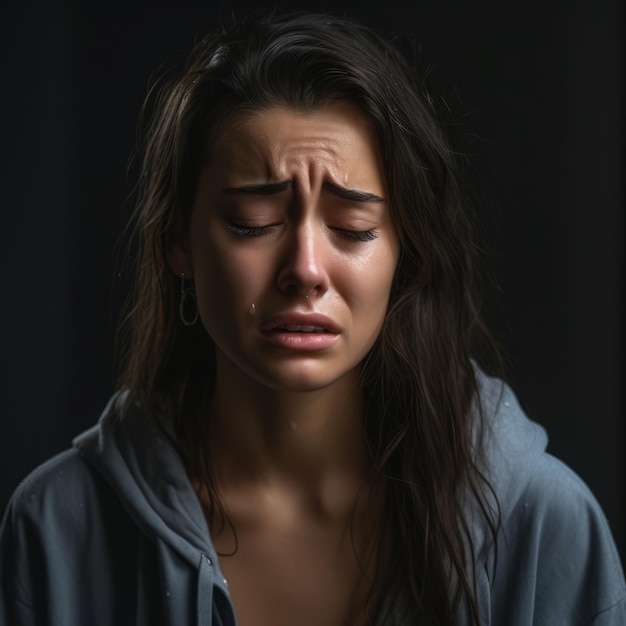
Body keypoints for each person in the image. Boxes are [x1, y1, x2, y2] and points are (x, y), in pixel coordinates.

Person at [1, 10, 624, 626]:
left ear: (404, 255)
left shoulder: (543, 525)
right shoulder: (57, 527)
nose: (305, 268)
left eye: (353, 229)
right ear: (178, 242)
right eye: (253, 222)